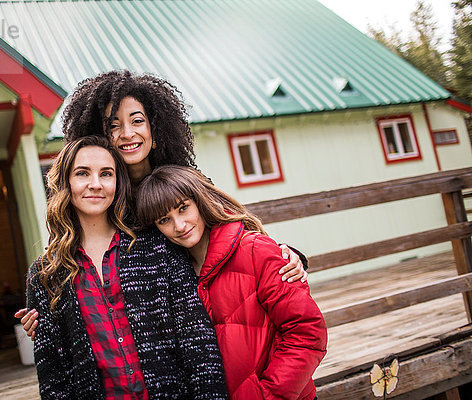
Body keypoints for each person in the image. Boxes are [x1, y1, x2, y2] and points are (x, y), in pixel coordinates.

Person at [17, 70, 308, 339]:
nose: (127, 133)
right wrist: (49, 313)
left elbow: (231, 228)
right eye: (113, 126)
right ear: (101, 135)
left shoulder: (180, 179)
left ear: (155, 127)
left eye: (137, 121)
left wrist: (287, 256)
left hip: (209, 313)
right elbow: (78, 250)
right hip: (148, 333)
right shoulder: (99, 195)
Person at [27, 136, 227, 399]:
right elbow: (53, 378)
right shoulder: (45, 275)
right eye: (82, 173)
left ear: (117, 183)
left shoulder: (157, 246)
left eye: (106, 174)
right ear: (66, 182)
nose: (95, 184)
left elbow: (198, 343)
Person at [135, 165, 328, 400]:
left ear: (199, 201)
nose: (180, 225)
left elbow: (306, 331)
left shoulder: (255, 250)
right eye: (165, 220)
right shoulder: (173, 275)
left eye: (183, 208)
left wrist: (267, 396)